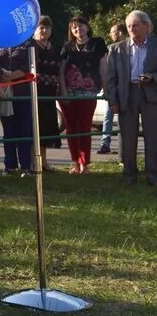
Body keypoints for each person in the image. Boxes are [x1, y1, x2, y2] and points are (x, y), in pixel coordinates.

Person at [106, 10, 156, 186]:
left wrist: (153, 77)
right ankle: (129, 176)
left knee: (153, 137)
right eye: (128, 26)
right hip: (127, 95)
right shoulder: (116, 49)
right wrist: (113, 101)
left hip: (151, 94)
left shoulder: (155, 45)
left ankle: (153, 176)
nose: (131, 29)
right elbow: (110, 78)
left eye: (135, 25)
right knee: (127, 137)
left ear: (146, 26)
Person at [59, 16, 108, 174]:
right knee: (71, 128)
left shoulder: (97, 43)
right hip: (68, 92)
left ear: (87, 27)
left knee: (84, 126)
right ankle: (75, 163)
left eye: (80, 26)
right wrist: (64, 91)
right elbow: (61, 70)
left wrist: (106, 89)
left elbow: (103, 67)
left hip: (89, 91)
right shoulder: (67, 47)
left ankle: (84, 164)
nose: (77, 29)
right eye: (74, 27)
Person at [0, 41, 34, 176]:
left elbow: (29, 65)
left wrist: (10, 77)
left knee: (24, 130)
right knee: (8, 131)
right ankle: (9, 166)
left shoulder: (28, 44)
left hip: (22, 94)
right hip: (5, 94)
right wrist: (2, 77)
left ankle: (26, 166)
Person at [33, 16, 62, 171]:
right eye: (40, 27)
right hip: (33, 92)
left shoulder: (55, 48)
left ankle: (44, 161)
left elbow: (60, 70)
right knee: (34, 128)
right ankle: (33, 162)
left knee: (46, 128)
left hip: (49, 92)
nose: (43, 30)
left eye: (47, 28)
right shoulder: (29, 46)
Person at [98, 22, 128, 154]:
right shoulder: (109, 49)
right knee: (108, 116)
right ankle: (105, 143)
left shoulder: (129, 48)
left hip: (126, 89)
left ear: (120, 33)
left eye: (112, 32)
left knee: (124, 118)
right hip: (113, 89)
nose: (110, 35)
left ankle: (124, 146)